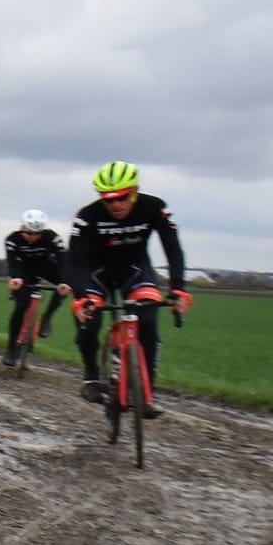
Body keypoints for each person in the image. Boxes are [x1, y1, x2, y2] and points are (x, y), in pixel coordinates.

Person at [64, 161, 192, 417]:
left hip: (134, 270)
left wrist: (178, 289)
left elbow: (173, 250)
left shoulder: (154, 207)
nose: (116, 205)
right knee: (89, 320)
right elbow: (74, 261)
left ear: (134, 191)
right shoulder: (87, 216)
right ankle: (91, 377)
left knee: (147, 318)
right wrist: (81, 298)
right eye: (108, 200)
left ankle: (146, 394)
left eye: (122, 198)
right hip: (95, 272)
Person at [1, 209, 66, 366]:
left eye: (37, 234)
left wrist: (65, 281)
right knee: (21, 306)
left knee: (66, 284)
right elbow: (13, 263)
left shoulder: (52, 237)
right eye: (29, 233)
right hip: (23, 272)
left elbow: (63, 260)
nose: (32, 237)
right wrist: (15, 278)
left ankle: (47, 317)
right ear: (22, 228)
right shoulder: (12, 239)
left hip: (47, 268)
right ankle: (11, 348)